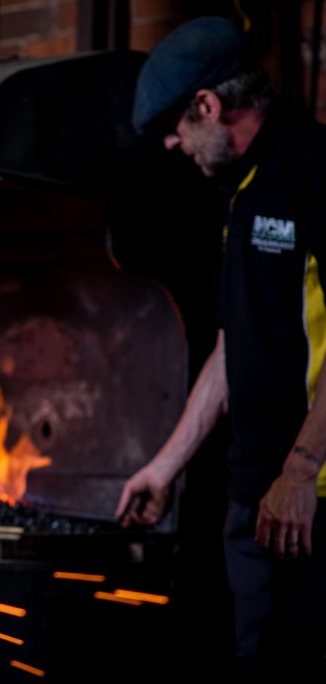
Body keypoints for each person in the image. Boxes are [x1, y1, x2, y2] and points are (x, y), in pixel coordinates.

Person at [115, 16, 326, 682]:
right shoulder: (237, 192)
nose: (175, 145)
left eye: (177, 127)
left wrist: (302, 469)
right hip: (252, 498)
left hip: (312, 498)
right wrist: (164, 466)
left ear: (208, 105)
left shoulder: (315, 170)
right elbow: (233, 350)